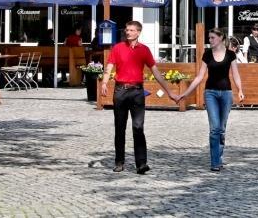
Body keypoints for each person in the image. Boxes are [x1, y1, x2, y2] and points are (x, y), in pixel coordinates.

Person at [101, 20, 176, 174]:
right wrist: (104, 82)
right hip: (120, 91)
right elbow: (109, 67)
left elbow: (155, 72)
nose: (128, 32)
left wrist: (169, 91)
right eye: (127, 30)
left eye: (131, 30)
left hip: (137, 92)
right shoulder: (117, 48)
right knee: (120, 127)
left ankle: (141, 164)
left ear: (138, 32)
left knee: (138, 127)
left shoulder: (144, 50)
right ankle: (119, 162)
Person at [175, 28, 245, 172]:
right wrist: (185, 93)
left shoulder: (230, 55)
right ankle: (215, 162)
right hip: (210, 93)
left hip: (226, 94)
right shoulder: (207, 54)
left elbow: (235, 74)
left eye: (212, 37)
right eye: (209, 38)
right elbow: (199, 77)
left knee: (222, 129)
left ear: (221, 38)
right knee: (214, 129)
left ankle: (219, 157)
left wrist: (240, 90)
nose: (210, 40)